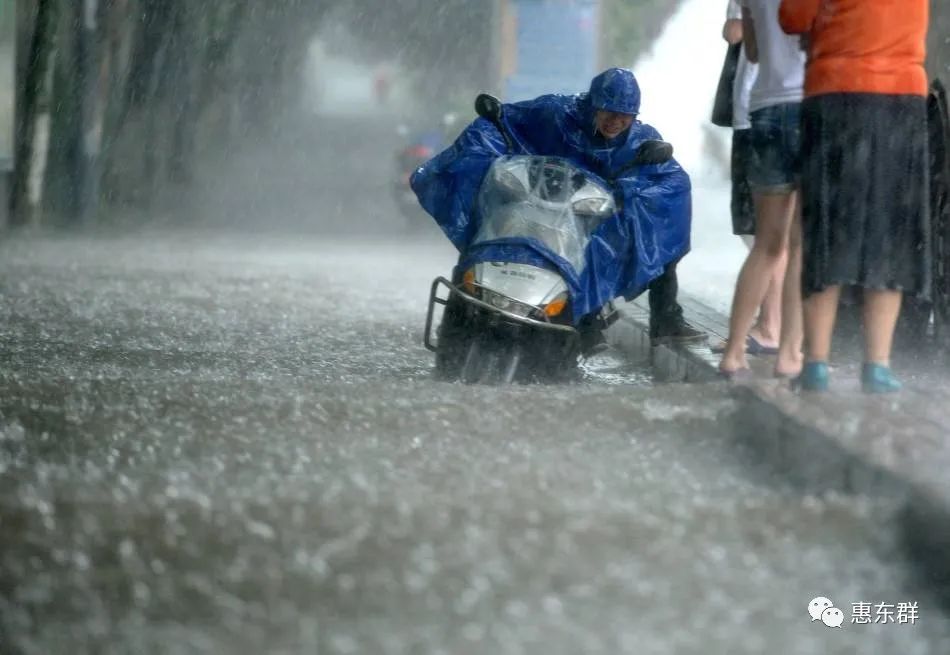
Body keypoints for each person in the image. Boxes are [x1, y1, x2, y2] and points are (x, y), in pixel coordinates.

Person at [411, 68, 704, 351]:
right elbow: (501, 122)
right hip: (531, 209)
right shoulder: (553, 113)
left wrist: (628, 194)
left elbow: (670, 182)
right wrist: (487, 161)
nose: (617, 122)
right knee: (485, 235)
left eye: (625, 116)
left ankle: (658, 321)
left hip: (591, 226)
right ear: (593, 105)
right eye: (609, 112)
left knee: (657, 236)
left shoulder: (640, 140)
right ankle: (460, 306)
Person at [779, 0, 930, 393]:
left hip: (836, 97)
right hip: (901, 99)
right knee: (891, 230)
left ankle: (816, 364)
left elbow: (792, 18)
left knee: (827, 226)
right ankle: (877, 365)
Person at [718, 0, 806, 378]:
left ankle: (733, 353)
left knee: (766, 245)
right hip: (809, 106)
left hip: (763, 109)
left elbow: (749, 49)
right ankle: (788, 353)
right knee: (801, 243)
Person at [713, 1, 784, 355]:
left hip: (760, 110)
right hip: (788, 106)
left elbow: (737, 33)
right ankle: (775, 327)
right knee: (776, 230)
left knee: (761, 230)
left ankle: (770, 325)